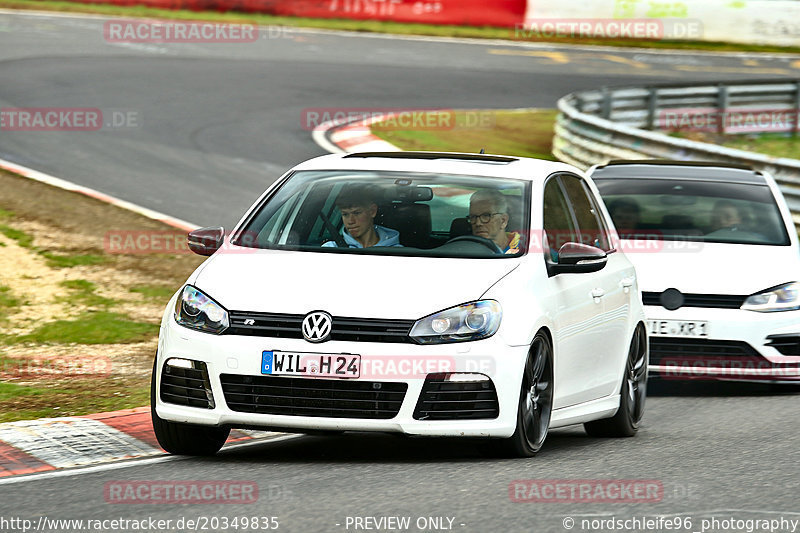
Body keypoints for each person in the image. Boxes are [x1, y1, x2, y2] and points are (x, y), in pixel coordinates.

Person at [322, 185, 401, 248]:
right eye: (345, 214)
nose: (350, 221)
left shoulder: (396, 251)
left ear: (372, 211)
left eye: (356, 213)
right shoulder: (331, 248)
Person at [467, 189, 521, 254]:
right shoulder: (464, 250)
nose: (478, 223)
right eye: (473, 217)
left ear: (503, 220)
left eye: (486, 216)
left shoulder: (524, 249)